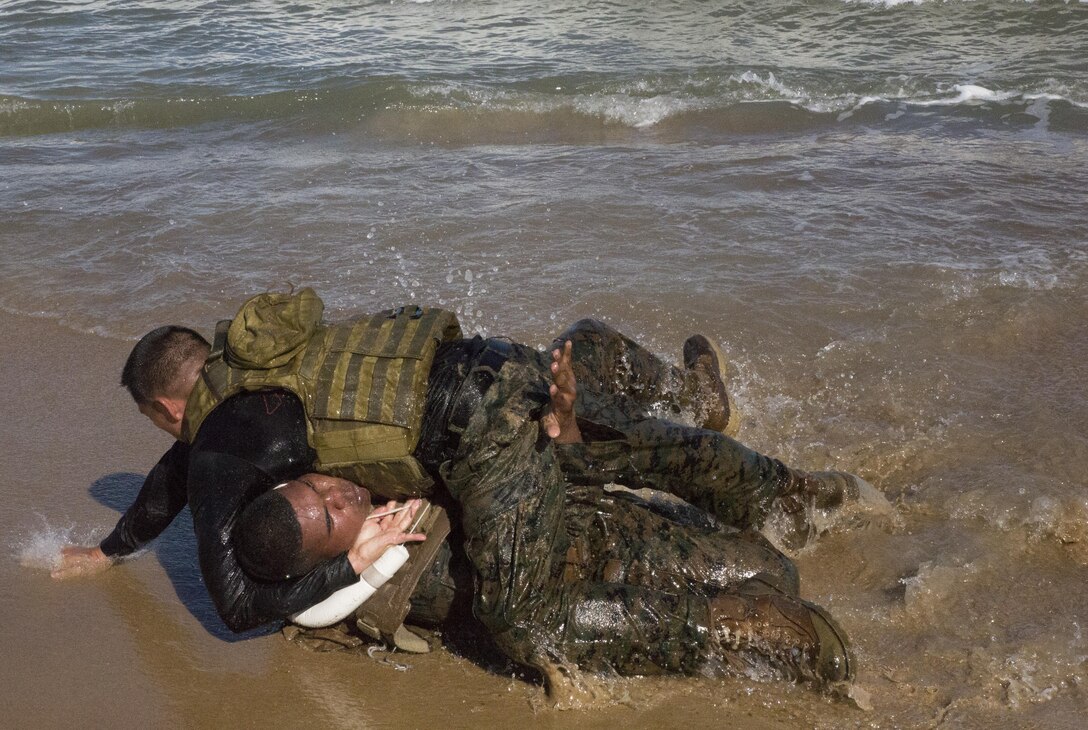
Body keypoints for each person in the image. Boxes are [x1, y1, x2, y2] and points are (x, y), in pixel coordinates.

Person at [53, 289, 879, 681]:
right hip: (488, 363)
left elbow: (235, 605)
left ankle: (743, 631)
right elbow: (177, 474)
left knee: (524, 620)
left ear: (168, 408)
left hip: (475, 439)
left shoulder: (221, 445)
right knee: (608, 428)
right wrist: (112, 545)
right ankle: (782, 482)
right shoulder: (260, 356)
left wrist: (351, 562)